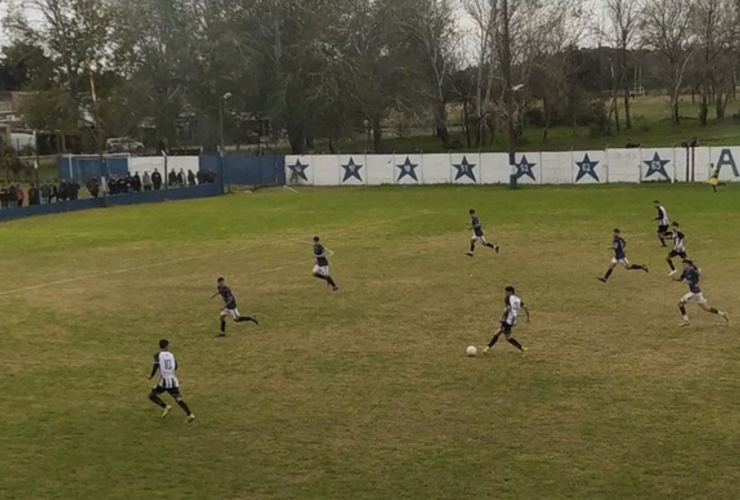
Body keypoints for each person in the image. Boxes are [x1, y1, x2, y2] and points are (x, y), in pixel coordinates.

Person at [148, 339, 196, 423]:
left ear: (160, 346)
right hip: (173, 380)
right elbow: (176, 366)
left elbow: (155, 366)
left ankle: (166, 406)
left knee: (151, 395)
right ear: (167, 345)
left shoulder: (157, 355)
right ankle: (189, 414)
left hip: (164, 381)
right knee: (178, 399)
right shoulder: (171, 355)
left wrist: (151, 376)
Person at [673, 259, 729, 327]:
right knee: (706, 308)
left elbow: (699, 274)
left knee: (680, 303)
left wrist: (698, 283)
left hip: (695, 292)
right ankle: (723, 314)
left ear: (689, 264)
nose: (683, 266)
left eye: (685, 264)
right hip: (697, 293)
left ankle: (686, 321)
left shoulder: (692, 270)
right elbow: (681, 279)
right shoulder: (685, 271)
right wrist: (675, 279)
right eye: (683, 265)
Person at [484, 286, 530, 355]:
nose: (505, 293)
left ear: (510, 292)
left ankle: (487, 348)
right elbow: (525, 307)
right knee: (503, 335)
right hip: (513, 321)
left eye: (506, 292)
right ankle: (487, 348)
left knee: (502, 335)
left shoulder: (508, 299)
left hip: (507, 321)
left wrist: (502, 318)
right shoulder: (518, 299)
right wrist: (528, 317)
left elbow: (507, 310)